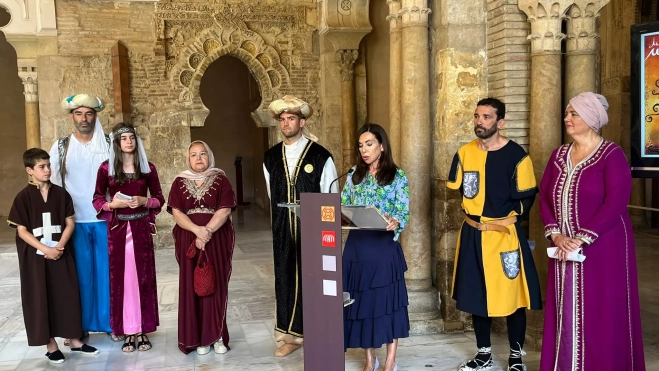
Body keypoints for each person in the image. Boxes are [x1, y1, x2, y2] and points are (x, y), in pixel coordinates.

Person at [539, 92, 645, 371]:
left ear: (591, 118)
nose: (567, 119)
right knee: (565, 307)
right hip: (563, 248)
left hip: (604, 247)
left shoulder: (611, 154)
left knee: (602, 310)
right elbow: (544, 197)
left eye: (573, 114)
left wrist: (581, 238)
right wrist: (556, 235)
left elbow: (617, 201)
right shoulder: (558, 155)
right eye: (567, 113)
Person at [447, 98, 542, 371]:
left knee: (513, 298)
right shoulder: (464, 153)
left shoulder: (517, 155)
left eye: (486, 117)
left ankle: (515, 358)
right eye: (477, 116)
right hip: (473, 234)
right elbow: (458, 189)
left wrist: (510, 220)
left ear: (501, 122)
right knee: (477, 295)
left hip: (503, 236)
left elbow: (527, 199)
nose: (479, 121)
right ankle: (484, 354)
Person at [263, 95, 339, 357]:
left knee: (315, 279)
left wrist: (328, 233)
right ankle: (290, 337)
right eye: (282, 120)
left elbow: (331, 196)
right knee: (285, 278)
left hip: (314, 228)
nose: (286, 124)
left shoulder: (320, 156)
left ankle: (317, 332)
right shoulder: (270, 157)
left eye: (291, 119)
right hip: (283, 227)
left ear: (302, 121)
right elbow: (272, 194)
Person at [8, 148, 99, 364]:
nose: (47, 170)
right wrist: (45, 249)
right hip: (35, 259)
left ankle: (75, 340)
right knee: (41, 297)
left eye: (48, 165)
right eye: (42, 167)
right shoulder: (23, 198)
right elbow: (22, 231)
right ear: (30, 170)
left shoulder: (61, 194)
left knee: (66, 294)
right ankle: (51, 345)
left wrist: (59, 246)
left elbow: (69, 223)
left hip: (60, 253)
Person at [342, 123, 410, 371]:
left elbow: (403, 210)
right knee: (360, 304)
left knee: (387, 303)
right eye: (360, 145)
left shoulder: (397, 176)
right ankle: (370, 359)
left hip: (382, 248)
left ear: (382, 145)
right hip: (357, 247)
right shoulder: (353, 175)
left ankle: (390, 360)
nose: (364, 150)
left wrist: (395, 221)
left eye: (369, 144)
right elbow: (343, 205)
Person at [92, 123, 164, 352]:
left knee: (142, 278)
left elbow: (160, 198)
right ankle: (127, 331)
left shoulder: (148, 169)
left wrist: (145, 201)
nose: (129, 142)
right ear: (117, 143)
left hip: (141, 228)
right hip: (118, 231)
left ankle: (142, 329)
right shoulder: (106, 169)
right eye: (124, 138)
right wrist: (111, 204)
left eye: (132, 137)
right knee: (122, 280)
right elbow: (96, 198)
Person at [48, 94, 114, 340]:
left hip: (105, 218)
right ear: (71, 117)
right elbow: (52, 181)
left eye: (88, 114)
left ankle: (110, 324)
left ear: (95, 116)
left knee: (108, 274)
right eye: (79, 114)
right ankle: (79, 326)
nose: (84, 119)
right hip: (74, 220)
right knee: (79, 276)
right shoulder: (62, 146)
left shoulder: (108, 143)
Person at [167, 141, 236, 355]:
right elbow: (177, 213)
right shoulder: (179, 182)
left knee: (215, 286)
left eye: (203, 154)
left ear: (210, 157)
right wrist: (197, 231)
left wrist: (207, 232)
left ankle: (215, 337)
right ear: (188, 159)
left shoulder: (221, 179)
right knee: (192, 287)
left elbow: (224, 211)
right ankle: (196, 339)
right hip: (189, 239)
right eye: (194, 154)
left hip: (216, 239)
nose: (198, 158)